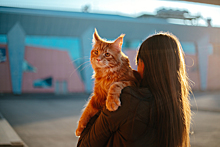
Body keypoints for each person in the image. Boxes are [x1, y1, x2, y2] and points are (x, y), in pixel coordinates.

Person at [77, 32, 191, 147]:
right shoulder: (178, 108)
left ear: (142, 64)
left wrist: (100, 104)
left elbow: (84, 144)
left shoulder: (128, 99)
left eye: (137, 63)